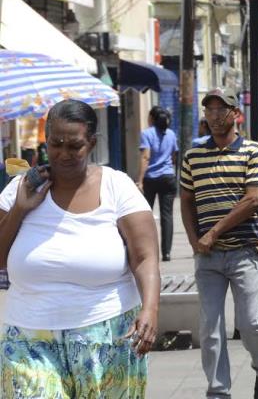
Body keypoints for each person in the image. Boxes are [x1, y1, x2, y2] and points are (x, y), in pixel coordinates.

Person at [0, 99, 160, 397]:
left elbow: (145, 257)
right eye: (56, 144)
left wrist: (150, 309)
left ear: (91, 143)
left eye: (74, 146)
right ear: (46, 141)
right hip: (28, 334)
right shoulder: (20, 189)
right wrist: (20, 208)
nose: (63, 154)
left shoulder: (117, 186)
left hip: (106, 334)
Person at [180, 88, 258, 399]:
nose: (215, 115)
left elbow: (253, 200)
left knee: (250, 322)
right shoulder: (193, 156)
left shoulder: (254, 151)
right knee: (209, 330)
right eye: (209, 110)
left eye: (221, 109)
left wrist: (213, 232)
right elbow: (186, 200)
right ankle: (218, 391)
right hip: (208, 258)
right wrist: (195, 239)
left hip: (246, 251)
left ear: (236, 114)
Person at [137, 105, 179, 262]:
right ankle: (166, 253)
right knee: (167, 216)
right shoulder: (171, 134)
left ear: (152, 118)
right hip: (168, 177)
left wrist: (139, 180)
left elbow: (145, 157)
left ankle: (147, 250)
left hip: (151, 179)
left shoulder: (146, 133)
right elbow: (174, 157)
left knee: (145, 215)